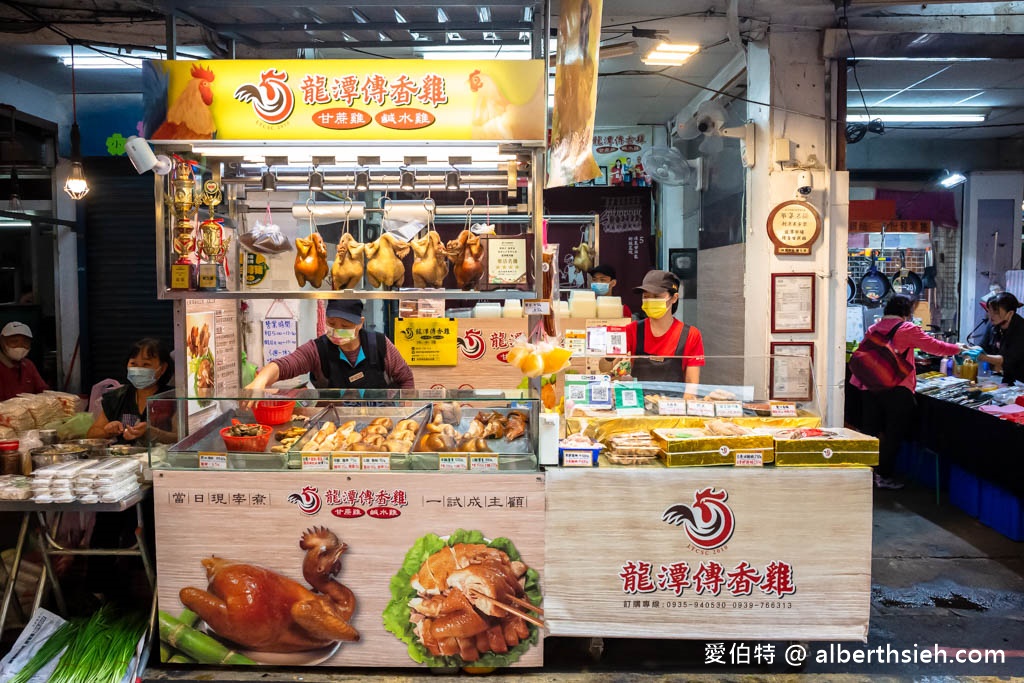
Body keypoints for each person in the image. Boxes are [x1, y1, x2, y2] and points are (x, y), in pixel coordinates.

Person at [849, 295, 964, 490]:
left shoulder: (874, 328)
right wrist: (957, 349)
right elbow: (935, 347)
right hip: (896, 390)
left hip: (869, 387)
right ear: (906, 311)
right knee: (893, 434)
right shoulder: (906, 329)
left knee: (870, 433)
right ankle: (884, 476)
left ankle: (865, 474)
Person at [247, 300, 414, 391]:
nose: (337, 330)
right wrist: (262, 379)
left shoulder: (378, 344)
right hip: (333, 427)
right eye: (332, 323)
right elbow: (285, 365)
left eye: (346, 326)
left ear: (360, 323)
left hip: (380, 422)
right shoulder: (317, 349)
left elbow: (405, 378)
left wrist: (404, 414)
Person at [626, 270, 704, 393]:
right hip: (638, 405)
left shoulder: (691, 335)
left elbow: (691, 384)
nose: (650, 301)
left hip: (673, 407)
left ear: (674, 298)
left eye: (657, 296)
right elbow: (605, 366)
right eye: (646, 296)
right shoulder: (631, 330)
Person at [87, 338, 177, 444]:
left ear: (162, 368)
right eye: (133, 364)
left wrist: (153, 432)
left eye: (146, 364)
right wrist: (107, 430)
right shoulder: (117, 397)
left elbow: (181, 437)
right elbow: (91, 434)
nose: (138, 369)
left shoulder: (173, 398)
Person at [972, 292, 1024, 385]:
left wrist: (981, 356)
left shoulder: (1020, 328)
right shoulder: (992, 323)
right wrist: (971, 350)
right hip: (1000, 379)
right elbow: (983, 346)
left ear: (1010, 313)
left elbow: (1006, 360)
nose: (991, 315)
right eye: (989, 310)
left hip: (1019, 381)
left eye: (995, 312)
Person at [0, 321, 48, 401]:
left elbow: (43, 391)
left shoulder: (28, 365)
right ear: (2, 342)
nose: (20, 346)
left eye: (25, 342)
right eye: (14, 341)